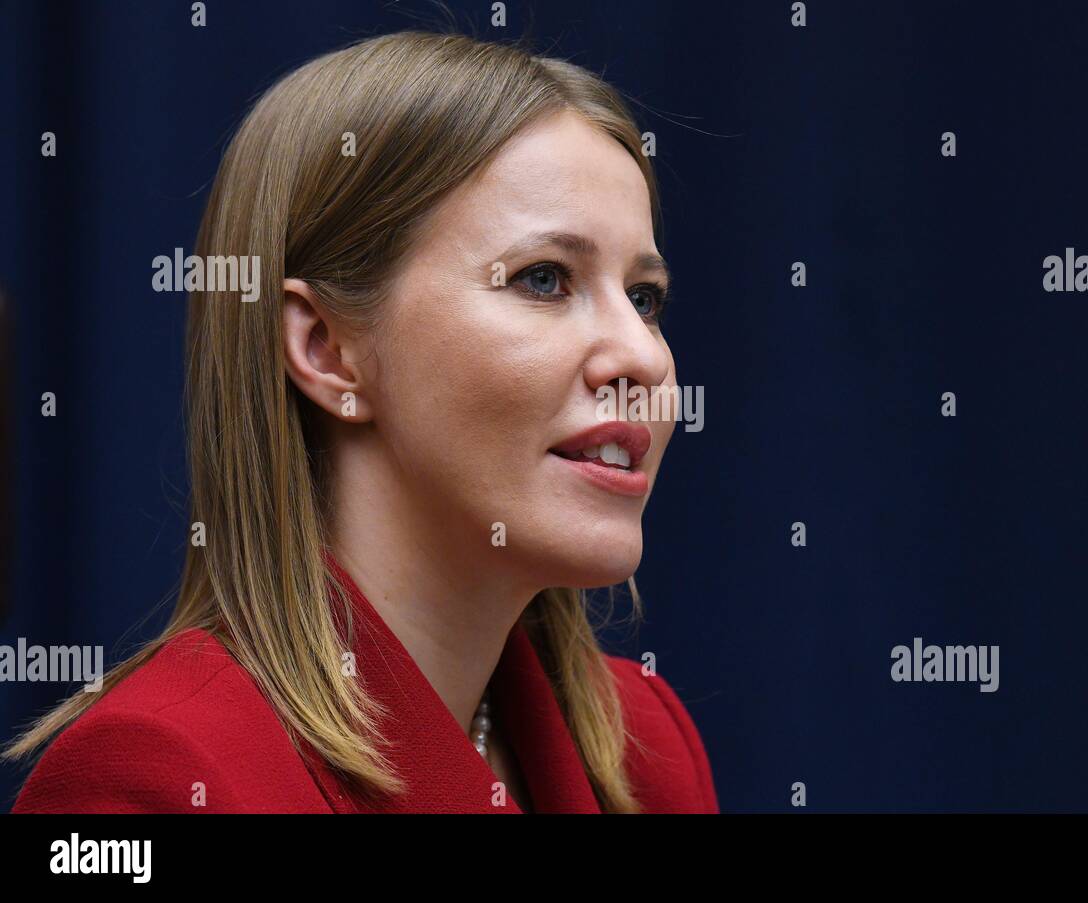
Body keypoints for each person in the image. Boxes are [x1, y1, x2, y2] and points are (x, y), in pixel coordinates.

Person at [6, 30, 717, 814]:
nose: (643, 358)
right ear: (328, 351)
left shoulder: (645, 744)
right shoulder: (155, 778)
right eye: (544, 278)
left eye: (645, 298)